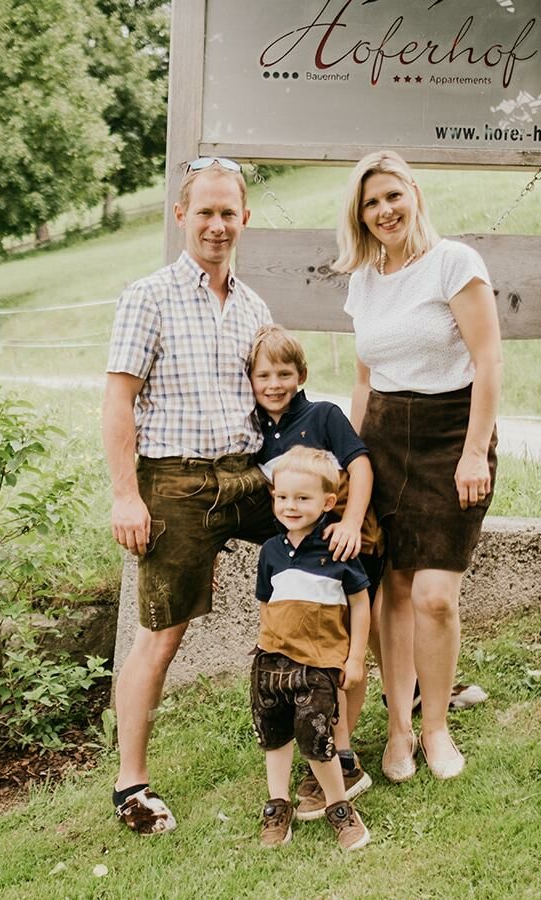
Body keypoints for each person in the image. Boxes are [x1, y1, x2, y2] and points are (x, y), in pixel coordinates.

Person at [103, 156, 277, 834]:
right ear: (181, 216)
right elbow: (118, 400)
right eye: (204, 211)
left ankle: (385, 709)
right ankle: (131, 786)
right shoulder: (148, 296)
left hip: (247, 475)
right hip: (174, 481)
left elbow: (272, 400)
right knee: (160, 634)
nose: (216, 224)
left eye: (227, 212)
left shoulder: (255, 306)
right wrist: (127, 496)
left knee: (341, 543)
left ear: (244, 219)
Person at [334, 150, 502, 782]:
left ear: (414, 193)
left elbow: (488, 362)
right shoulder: (363, 279)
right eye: (371, 203)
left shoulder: (455, 263)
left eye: (392, 197)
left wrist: (472, 451)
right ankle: (399, 729)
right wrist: (352, 459)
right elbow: (364, 376)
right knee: (390, 592)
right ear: (361, 215)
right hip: (382, 441)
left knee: (434, 594)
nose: (384, 212)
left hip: (451, 433)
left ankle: (437, 728)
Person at [248, 324, 382, 818]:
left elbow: (360, 464)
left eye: (284, 372)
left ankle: (343, 755)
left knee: (350, 648)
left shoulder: (323, 415)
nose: (275, 383)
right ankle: (328, 748)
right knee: (320, 657)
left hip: (346, 544)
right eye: (264, 374)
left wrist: (347, 521)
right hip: (299, 562)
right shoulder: (257, 432)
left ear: (301, 375)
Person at [252, 446, 371, 850]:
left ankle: (340, 807)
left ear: (328, 502)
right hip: (271, 662)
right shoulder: (270, 551)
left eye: (303, 498)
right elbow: (266, 603)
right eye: (283, 497)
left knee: (317, 736)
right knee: (275, 735)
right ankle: (278, 805)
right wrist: (265, 646)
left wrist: (355, 658)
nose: (291, 505)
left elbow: (359, 602)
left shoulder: (337, 547)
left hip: (319, 663)